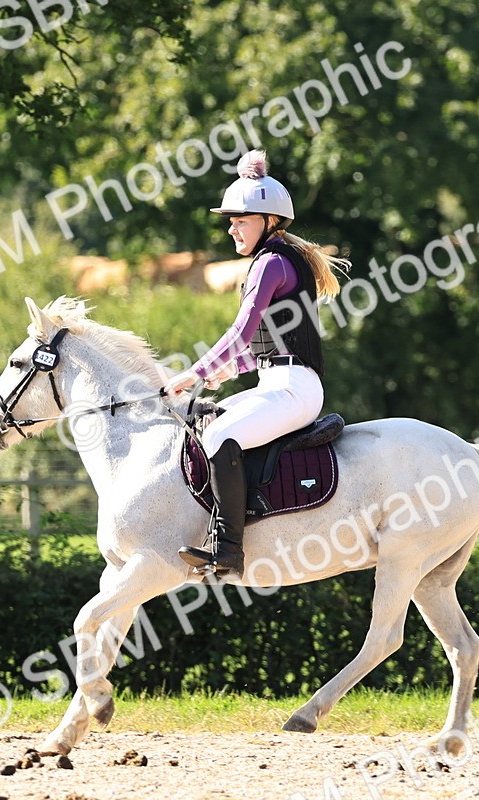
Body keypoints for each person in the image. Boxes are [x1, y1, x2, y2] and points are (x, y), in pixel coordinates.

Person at [164, 149, 348, 576]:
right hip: (280, 382)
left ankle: (228, 548)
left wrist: (197, 372)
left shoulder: (271, 264)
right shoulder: (277, 260)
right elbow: (266, 345)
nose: (231, 228)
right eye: (231, 220)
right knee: (208, 426)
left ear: (269, 221)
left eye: (240, 220)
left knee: (219, 436)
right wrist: (229, 369)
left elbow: (240, 332)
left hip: (294, 390)